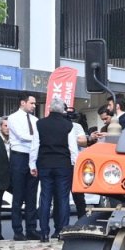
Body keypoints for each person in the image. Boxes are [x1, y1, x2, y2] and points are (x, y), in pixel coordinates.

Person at [35, 97, 75, 241]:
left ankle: (44, 232)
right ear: (62, 110)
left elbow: (35, 145)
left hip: (45, 164)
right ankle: (62, 231)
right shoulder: (68, 125)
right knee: (63, 198)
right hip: (63, 165)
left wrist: (32, 164)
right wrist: (74, 163)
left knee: (45, 198)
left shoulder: (40, 124)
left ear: (50, 109)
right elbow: (73, 148)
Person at [6, 94, 41, 241]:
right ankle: (18, 230)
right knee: (18, 195)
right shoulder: (12, 118)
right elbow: (21, 136)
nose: (34, 106)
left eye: (34, 104)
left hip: (33, 156)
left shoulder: (36, 120)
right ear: (23, 103)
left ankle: (31, 228)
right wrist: (38, 138)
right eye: (31, 103)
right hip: (19, 156)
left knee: (32, 196)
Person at [68, 109, 88, 220]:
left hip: (76, 163)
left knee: (78, 195)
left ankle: (83, 219)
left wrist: (70, 138)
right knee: (61, 196)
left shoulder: (77, 126)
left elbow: (83, 141)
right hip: (63, 162)